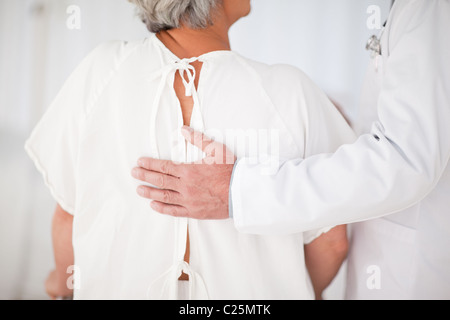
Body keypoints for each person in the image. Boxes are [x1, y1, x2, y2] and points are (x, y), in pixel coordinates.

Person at [26, 0, 355, 300]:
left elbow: (68, 215)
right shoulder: (291, 91)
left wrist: (62, 286)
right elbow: (332, 241)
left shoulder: (101, 71)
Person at [134, 0, 450, 299]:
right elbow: (333, 241)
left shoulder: (97, 78)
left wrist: (236, 191)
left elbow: (408, 155)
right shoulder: (288, 90)